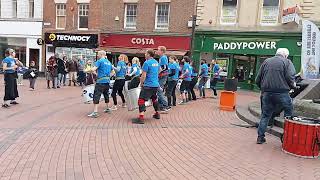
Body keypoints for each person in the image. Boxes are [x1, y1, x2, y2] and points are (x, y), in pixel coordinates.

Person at [255, 48, 296, 144]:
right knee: (288, 114)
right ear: (286, 55)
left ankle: (260, 138)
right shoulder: (287, 62)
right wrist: (292, 86)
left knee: (265, 116)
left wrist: (263, 89)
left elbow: (258, 79)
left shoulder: (266, 61)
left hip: (267, 93)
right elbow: (290, 77)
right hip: (282, 93)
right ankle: (285, 137)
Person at [133, 49, 160, 124]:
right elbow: (159, 70)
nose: (145, 55)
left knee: (141, 100)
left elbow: (143, 75)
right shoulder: (156, 62)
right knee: (154, 98)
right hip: (155, 84)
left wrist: (141, 83)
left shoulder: (146, 63)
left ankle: (141, 117)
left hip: (148, 84)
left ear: (148, 54)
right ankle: (157, 114)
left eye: (145, 53)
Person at [87, 50, 113, 118]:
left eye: (98, 54)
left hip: (100, 82)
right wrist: (107, 76)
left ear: (101, 54)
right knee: (106, 94)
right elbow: (113, 72)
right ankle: (108, 108)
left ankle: (95, 112)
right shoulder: (109, 62)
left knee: (96, 95)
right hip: (107, 81)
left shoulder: (99, 61)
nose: (97, 55)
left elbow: (93, 69)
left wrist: (89, 70)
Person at [156, 46, 170, 112]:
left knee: (159, 91)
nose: (157, 51)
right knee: (159, 90)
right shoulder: (162, 57)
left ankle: (165, 105)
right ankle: (161, 106)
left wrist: (156, 74)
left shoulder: (163, 58)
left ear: (162, 51)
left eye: (158, 50)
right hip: (163, 76)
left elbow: (164, 67)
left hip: (162, 76)